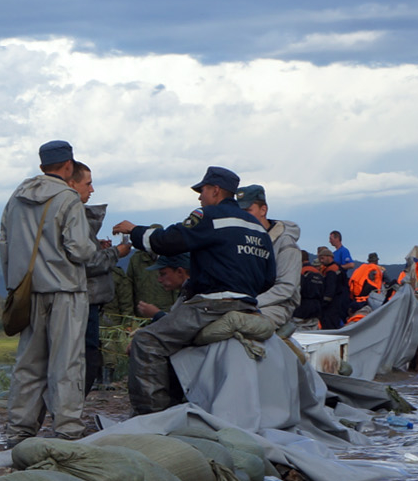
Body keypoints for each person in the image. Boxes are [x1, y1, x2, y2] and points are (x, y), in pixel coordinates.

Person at [112, 166, 275, 415]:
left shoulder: (209, 216)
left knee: (147, 341)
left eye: (202, 191)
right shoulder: (257, 227)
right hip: (248, 305)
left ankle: (151, 418)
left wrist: (134, 231)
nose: (200, 197)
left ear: (216, 190)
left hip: (211, 306)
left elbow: (169, 241)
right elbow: (268, 278)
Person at [0, 140, 98, 442]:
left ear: (42, 165)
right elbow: (80, 249)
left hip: (28, 292)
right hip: (65, 291)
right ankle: (67, 429)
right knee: (66, 362)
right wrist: (96, 250)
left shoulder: (17, 196)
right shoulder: (67, 198)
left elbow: (5, 242)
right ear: (68, 166)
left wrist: (14, 285)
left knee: (28, 364)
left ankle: (19, 431)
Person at [70, 162, 128, 389]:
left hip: (87, 301)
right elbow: (86, 263)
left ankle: (69, 410)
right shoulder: (74, 218)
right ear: (72, 183)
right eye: (88, 183)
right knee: (88, 356)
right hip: (84, 301)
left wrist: (99, 247)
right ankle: (70, 412)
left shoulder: (71, 216)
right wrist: (117, 253)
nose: (92, 190)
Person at [234, 185, 302, 330]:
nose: (243, 216)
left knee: (242, 326)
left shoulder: (285, 243)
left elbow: (286, 287)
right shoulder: (242, 240)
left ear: (263, 210)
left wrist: (250, 302)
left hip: (278, 305)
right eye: (239, 212)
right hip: (246, 303)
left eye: (247, 211)